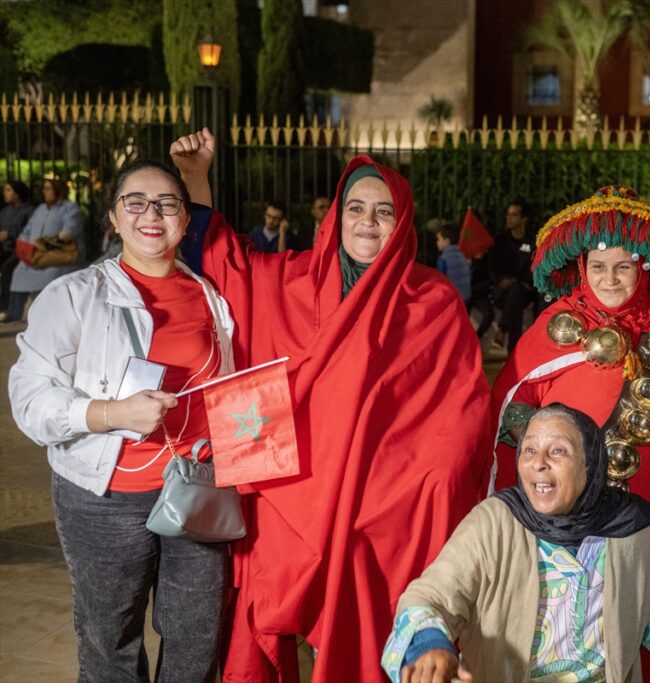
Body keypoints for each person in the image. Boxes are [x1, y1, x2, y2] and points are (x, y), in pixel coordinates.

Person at [169, 128, 493, 683]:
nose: (368, 221)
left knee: (368, 605)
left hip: (380, 503)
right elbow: (220, 266)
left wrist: (425, 481)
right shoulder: (288, 279)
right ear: (336, 218)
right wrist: (196, 178)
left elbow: (460, 414)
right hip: (292, 490)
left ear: (402, 222)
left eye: (384, 211)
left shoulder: (432, 300)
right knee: (268, 590)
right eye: (356, 208)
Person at [7, 159, 237, 681]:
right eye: (135, 202)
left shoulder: (211, 296)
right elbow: (29, 400)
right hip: (103, 498)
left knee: (196, 635)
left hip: (196, 487)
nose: (151, 214)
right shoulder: (74, 295)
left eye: (167, 203)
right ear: (113, 217)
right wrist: (110, 413)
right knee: (109, 639)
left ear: (184, 220)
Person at [491, 185, 650, 682]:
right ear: (581, 268)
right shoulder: (554, 328)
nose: (610, 278)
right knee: (578, 628)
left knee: (648, 599)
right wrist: (545, 459)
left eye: (623, 266)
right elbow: (510, 405)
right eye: (598, 266)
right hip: (572, 508)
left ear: (645, 269)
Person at [382, 405, 650, 683]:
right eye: (529, 450)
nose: (538, 463)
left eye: (558, 451)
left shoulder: (638, 528)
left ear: (590, 463)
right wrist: (428, 645)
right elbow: (432, 595)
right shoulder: (495, 522)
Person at [3, 176, 85, 322]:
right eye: (44, 189)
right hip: (35, 254)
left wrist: (47, 244)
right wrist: (23, 242)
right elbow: (27, 230)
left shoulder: (69, 208)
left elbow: (70, 231)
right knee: (19, 272)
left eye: (48, 189)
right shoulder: (40, 209)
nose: (44, 192)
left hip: (56, 256)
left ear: (57, 190)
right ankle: (13, 314)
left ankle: (48, 315)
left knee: (50, 274)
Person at [489, 199, 536, 352]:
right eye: (508, 214)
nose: (509, 218)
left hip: (525, 289)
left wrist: (519, 281)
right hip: (502, 291)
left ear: (524, 219)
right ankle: (512, 351)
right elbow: (493, 268)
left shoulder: (532, 241)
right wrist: (502, 280)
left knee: (516, 293)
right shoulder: (500, 241)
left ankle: (502, 331)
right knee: (515, 297)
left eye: (514, 215)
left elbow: (535, 268)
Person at [0, 181, 34, 315]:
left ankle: (4, 306)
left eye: (8, 190)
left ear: (17, 193)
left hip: (21, 249)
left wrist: (10, 234)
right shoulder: (5, 211)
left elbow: (30, 233)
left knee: (7, 268)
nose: (5, 193)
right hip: (4, 248)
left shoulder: (30, 211)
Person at [435, 221, 471, 302]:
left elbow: (440, 281)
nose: (437, 242)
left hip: (452, 297)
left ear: (447, 241)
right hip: (466, 296)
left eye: (439, 239)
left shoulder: (443, 259)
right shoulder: (463, 255)